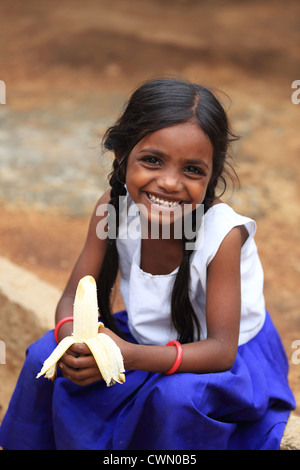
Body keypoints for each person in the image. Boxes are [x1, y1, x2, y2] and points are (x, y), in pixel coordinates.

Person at [0, 78, 295, 450]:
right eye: (152, 160)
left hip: (216, 358)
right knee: (44, 359)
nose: (170, 183)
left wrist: (130, 357)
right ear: (122, 156)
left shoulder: (223, 236)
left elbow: (221, 350)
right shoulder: (113, 208)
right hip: (141, 341)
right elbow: (72, 296)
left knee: (172, 402)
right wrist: (76, 343)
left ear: (212, 176)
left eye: (192, 170)